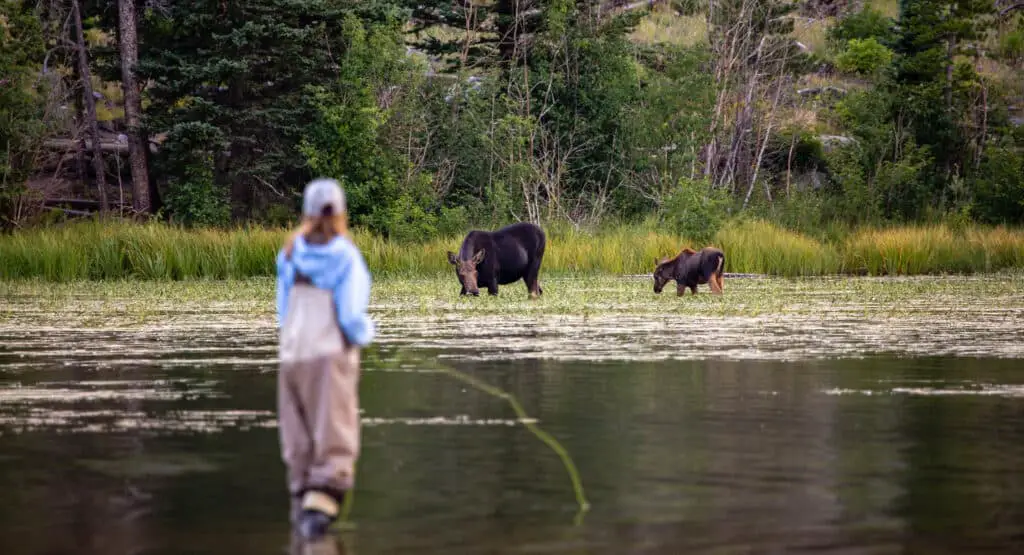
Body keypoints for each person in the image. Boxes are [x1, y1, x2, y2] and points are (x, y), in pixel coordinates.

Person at [275, 178, 375, 540]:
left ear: (307, 212)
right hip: (328, 356)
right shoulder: (346, 255)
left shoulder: (290, 252)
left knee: (299, 442)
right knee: (333, 444)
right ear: (342, 213)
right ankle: (318, 528)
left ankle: (302, 523)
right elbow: (350, 317)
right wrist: (367, 335)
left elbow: (282, 312)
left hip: (292, 355)